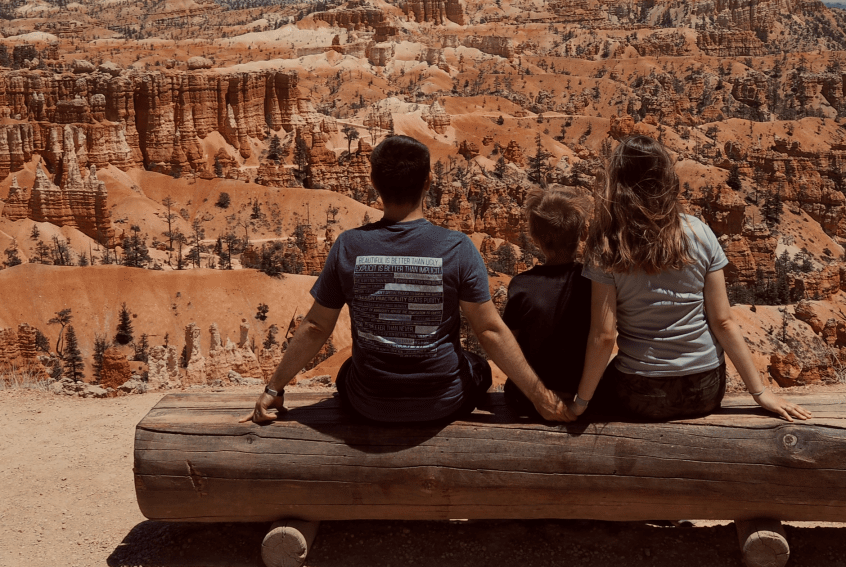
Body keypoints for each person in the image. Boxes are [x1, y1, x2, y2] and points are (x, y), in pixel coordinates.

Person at [245, 135, 575, 426]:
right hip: (443, 402)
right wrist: (541, 397)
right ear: (429, 182)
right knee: (479, 369)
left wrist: (273, 389)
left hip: (369, 404)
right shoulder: (457, 248)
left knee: (347, 372)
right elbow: (489, 331)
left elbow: (316, 326)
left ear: (374, 182)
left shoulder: (348, 246)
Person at [568, 134, 810, 424]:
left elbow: (604, 335)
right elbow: (723, 322)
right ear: (666, 178)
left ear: (617, 183)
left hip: (642, 394)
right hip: (705, 389)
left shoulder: (607, 244)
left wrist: (580, 404)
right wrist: (760, 393)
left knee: (604, 388)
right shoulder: (699, 232)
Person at [502, 186, 592, 413]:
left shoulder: (521, 286)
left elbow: (507, 347)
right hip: (577, 398)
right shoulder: (594, 284)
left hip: (525, 400)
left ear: (535, 237)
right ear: (582, 234)